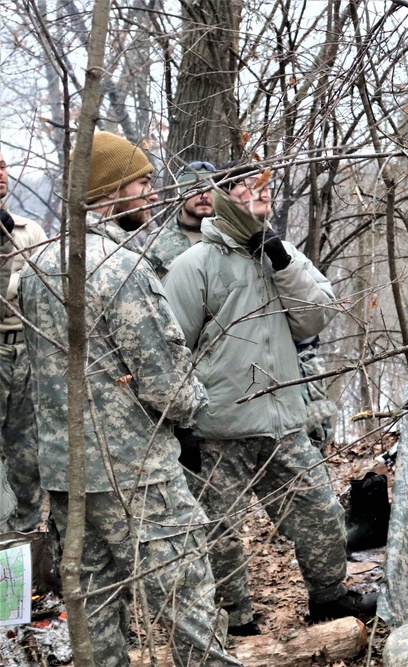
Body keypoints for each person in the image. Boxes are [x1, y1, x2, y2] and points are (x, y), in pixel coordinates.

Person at [19, 131, 242, 666]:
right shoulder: (120, 267)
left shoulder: (36, 266)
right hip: (136, 472)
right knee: (186, 598)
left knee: (94, 607)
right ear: (111, 188)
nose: (150, 193)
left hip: (65, 470)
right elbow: (166, 385)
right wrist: (195, 405)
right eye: (141, 182)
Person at [162, 163, 377, 635]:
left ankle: (331, 600)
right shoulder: (193, 264)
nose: (257, 196)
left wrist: (281, 259)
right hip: (218, 429)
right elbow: (170, 347)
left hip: (284, 421)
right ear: (223, 201)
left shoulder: (282, 255)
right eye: (244, 190)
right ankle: (235, 622)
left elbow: (315, 318)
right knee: (218, 534)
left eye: (261, 189)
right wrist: (181, 427)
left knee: (320, 512)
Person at [0, 153, 47, 534]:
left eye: (2, 167)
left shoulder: (28, 229)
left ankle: (25, 540)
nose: (0, 175)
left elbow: (48, 289)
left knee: (27, 454)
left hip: (26, 351)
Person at [145, 160, 216, 278]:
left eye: (209, 189)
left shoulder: (228, 235)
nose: (204, 196)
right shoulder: (157, 240)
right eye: (195, 190)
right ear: (181, 195)